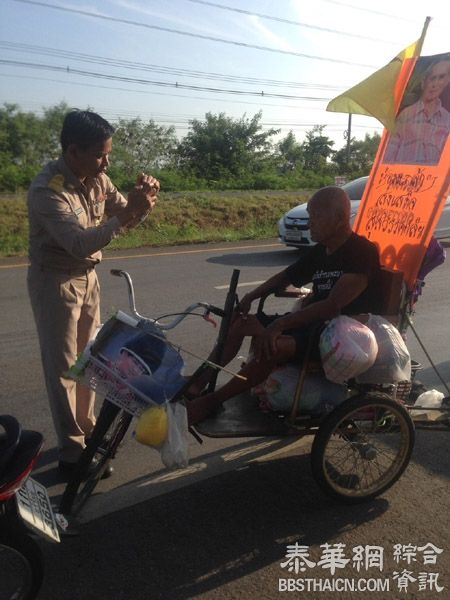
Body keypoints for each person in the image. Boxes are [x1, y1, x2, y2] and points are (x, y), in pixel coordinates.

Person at [27, 109, 159, 477]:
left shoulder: (98, 178)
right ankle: (72, 454)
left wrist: (144, 202)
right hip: (56, 281)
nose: (107, 161)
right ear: (73, 151)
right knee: (64, 369)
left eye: (108, 153)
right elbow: (77, 243)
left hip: (88, 279)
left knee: (90, 361)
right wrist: (126, 215)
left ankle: (86, 431)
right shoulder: (47, 190)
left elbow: (126, 215)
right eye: (101, 153)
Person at [186, 186, 381, 425]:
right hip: (309, 323)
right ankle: (198, 383)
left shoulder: (363, 252)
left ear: (340, 218)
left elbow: (332, 306)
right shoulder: (322, 250)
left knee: (273, 345)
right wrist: (251, 296)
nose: (310, 224)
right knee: (240, 324)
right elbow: (286, 276)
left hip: (335, 335)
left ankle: (212, 401)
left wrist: (279, 324)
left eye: (316, 217)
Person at [384, 58, 450, 165]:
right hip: (404, 179)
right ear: (423, 82)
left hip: (434, 180)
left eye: (441, 77)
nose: (435, 84)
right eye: (432, 78)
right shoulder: (405, 115)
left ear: (447, 81)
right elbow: (388, 157)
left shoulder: (447, 120)